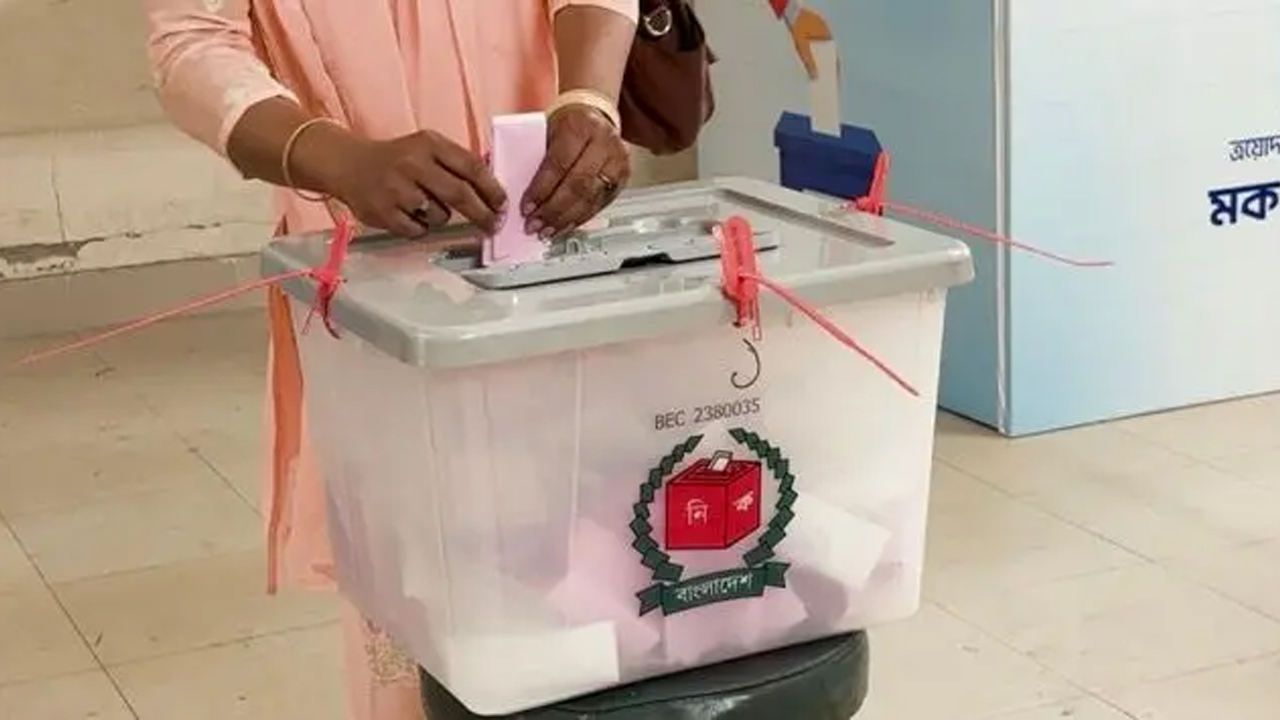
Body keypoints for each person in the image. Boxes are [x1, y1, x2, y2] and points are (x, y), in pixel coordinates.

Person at [144, 1, 638, 719]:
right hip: (373, 272)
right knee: (412, 589)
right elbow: (192, 40)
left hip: (546, 235)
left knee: (591, 546)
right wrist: (339, 157)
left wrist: (589, 101)